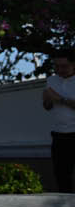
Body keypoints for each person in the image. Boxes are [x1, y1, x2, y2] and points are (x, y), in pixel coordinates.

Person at [42, 48, 75, 193]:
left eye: (64, 66)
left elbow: (59, 101)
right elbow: (48, 107)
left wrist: (60, 99)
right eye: (57, 66)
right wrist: (47, 100)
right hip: (59, 133)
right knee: (61, 173)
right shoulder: (52, 80)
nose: (60, 70)